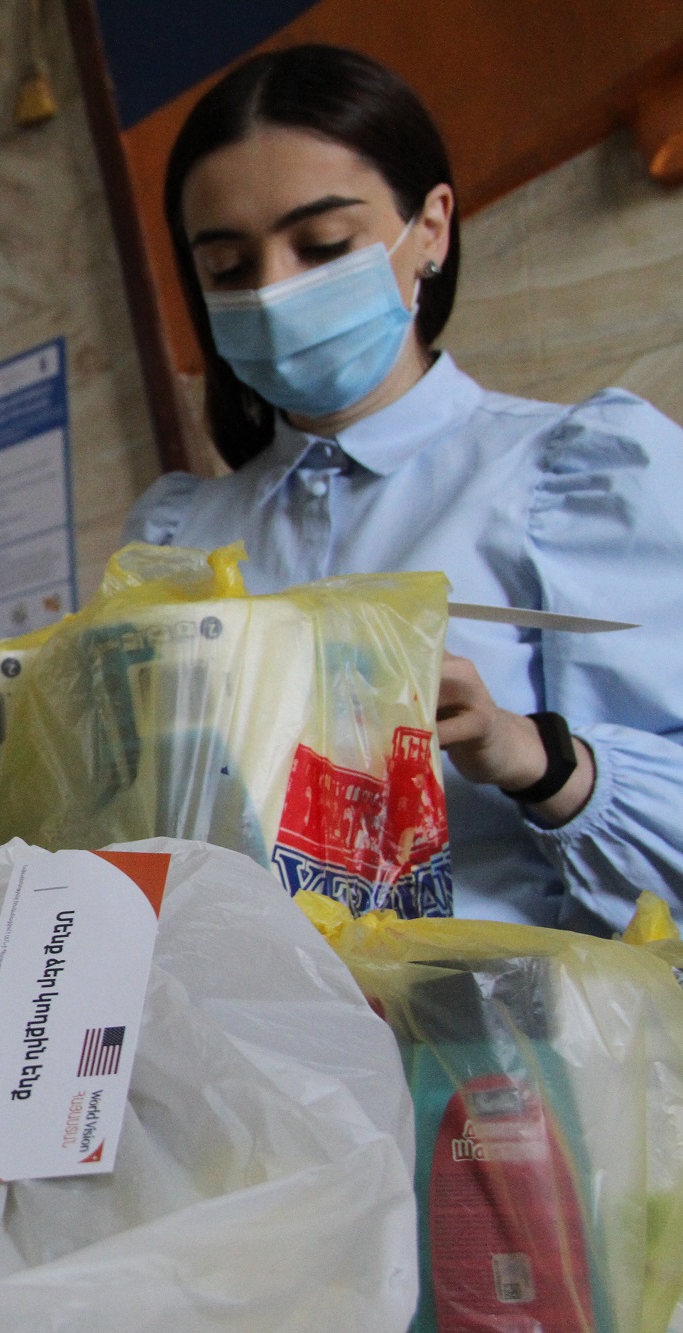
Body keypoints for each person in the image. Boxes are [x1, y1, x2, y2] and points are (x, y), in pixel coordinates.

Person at [127, 44, 683, 933]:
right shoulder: (178, 535)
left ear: (430, 228)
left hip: (514, 1049)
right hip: (236, 1052)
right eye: (229, 268)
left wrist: (535, 757)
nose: (273, 295)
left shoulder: (572, 478)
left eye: (323, 245)